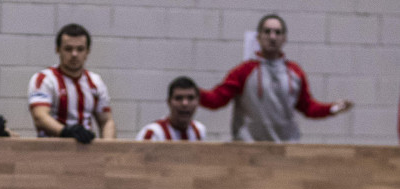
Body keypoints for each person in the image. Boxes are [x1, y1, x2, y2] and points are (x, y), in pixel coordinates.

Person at [199, 14, 353, 142]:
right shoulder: (243, 71)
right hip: (248, 148)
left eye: (277, 32)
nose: (272, 37)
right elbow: (217, 99)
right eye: (267, 32)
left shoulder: (295, 72)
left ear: (284, 38)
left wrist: (332, 108)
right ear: (258, 37)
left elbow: (307, 107)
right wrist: (194, 92)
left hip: (285, 149)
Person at [27, 23, 115, 144]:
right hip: (50, 151)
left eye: (80, 49)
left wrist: (108, 150)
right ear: (58, 50)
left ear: (87, 51)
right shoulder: (45, 79)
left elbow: (106, 121)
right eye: (68, 49)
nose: (74, 54)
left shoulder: (96, 82)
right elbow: (40, 117)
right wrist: (66, 132)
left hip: (86, 151)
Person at [137, 77, 207, 141]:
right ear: (169, 102)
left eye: (190, 98)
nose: (185, 103)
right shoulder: (153, 133)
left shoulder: (199, 130)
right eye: (179, 98)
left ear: (198, 102)